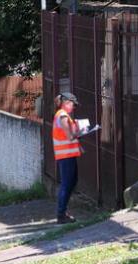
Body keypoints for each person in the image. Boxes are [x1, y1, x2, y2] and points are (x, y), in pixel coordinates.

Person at [53, 92, 82, 224]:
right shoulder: (63, 116)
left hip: (68, 155)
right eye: (73, 104)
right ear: (66, 103)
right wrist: (81, 131)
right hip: (65, 155)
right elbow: (70, 136)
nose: (74, 107)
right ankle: (61, 214)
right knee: (66, 184)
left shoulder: (63, 116)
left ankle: (63, 212)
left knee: (71, 182)